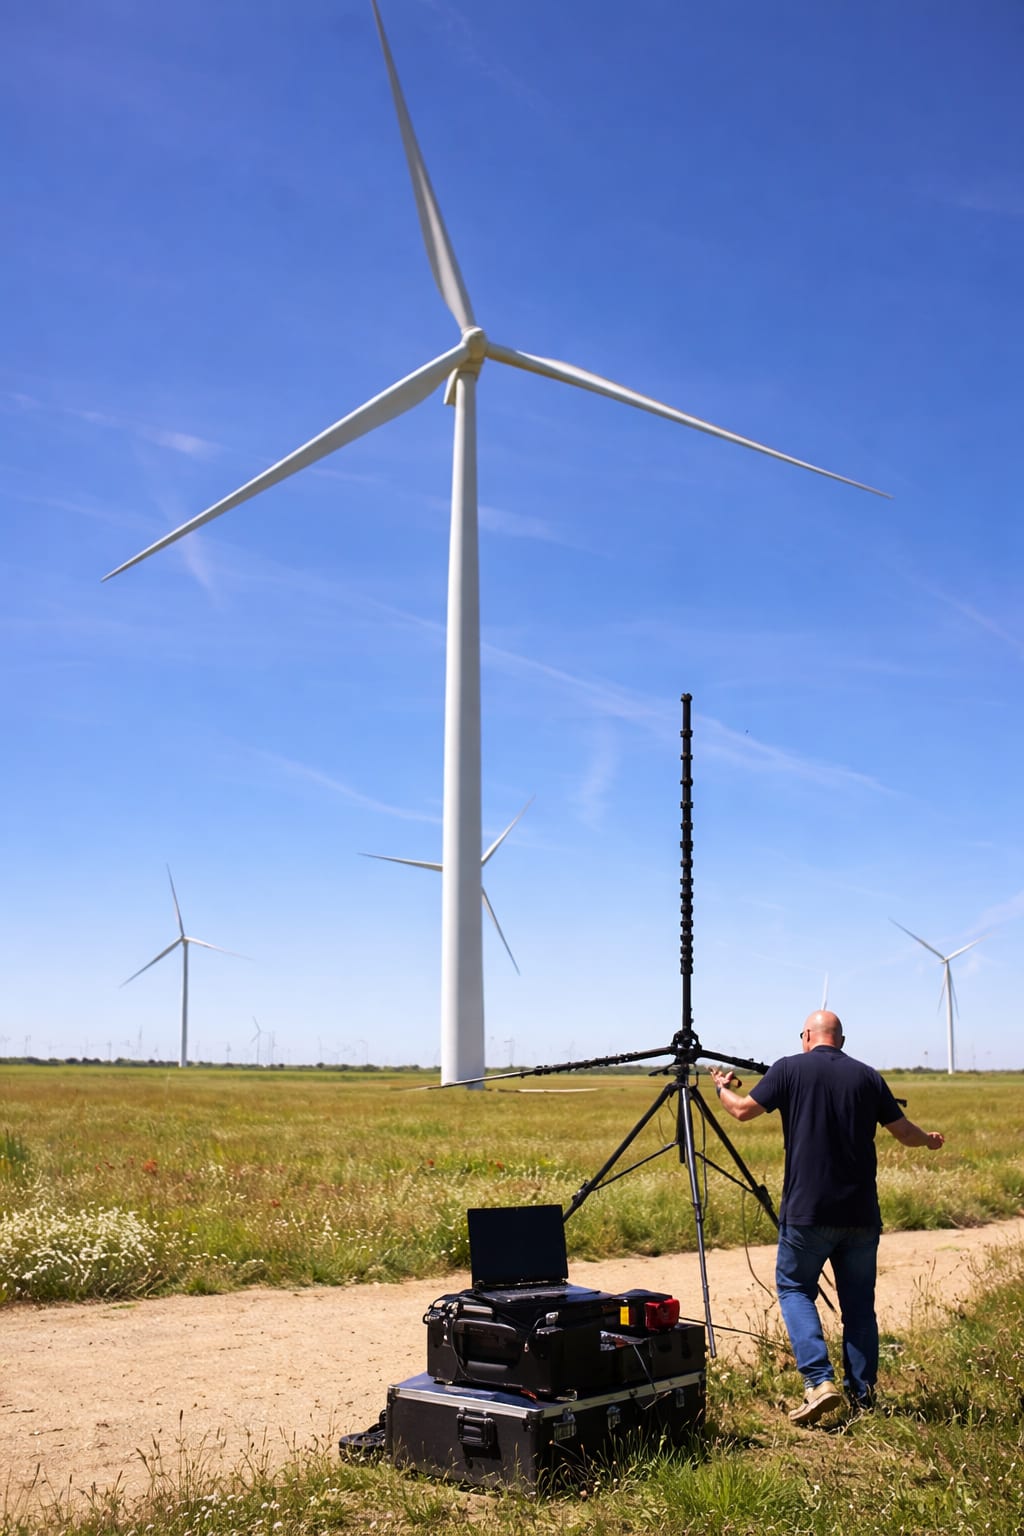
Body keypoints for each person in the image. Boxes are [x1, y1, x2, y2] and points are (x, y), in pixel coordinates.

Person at [709, 1010, 944, 1426]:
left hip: (807, 1212)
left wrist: (721, 1088)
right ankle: (863, 1397)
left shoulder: (788, 1068)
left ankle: (819, 1382)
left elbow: (742, 1111)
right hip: (861, 1214)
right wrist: (929, 1140)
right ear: (842, 1040)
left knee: (795, 1288)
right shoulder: (868, 1076)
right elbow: (905, 1132)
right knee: (859, 1306)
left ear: (806, 1036)